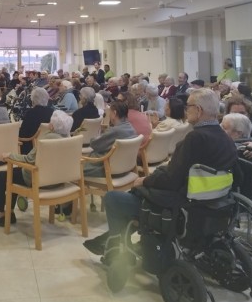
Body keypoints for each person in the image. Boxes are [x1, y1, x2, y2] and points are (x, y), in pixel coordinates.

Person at [83, 89, 238, 257]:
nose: (186, 110)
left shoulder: (195, 139)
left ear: (199, 110)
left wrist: (145, 180)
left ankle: (114, 247)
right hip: (210, 203)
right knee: (137, 191)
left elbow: (171, 180)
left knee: (113, 198)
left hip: (178, 205)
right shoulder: (226, 140)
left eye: (188, 106)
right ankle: (111, 239)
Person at [0, 110, 74, 226]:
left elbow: (29, 159)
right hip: (58, 180)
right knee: (12, 175)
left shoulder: (48, 139)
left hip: (38, 180)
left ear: (52, 126)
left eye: (50, 122)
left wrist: (9, 155)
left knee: (1, 176)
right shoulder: (69, 139)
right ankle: (9, 212)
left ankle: (1, 215)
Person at [83, 101, 137, 177]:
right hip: (125, 169)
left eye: (110, 112)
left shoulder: (115, 131)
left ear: (114, 113)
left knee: (77, 167)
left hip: (107, 169)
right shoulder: (131, 128)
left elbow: (94, 144)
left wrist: (97, 137)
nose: (109, 115)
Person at [18, 87, 54, 154]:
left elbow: (22, 135)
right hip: (48, 146)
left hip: (30, 148)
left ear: (33, 100)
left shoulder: (30, 113)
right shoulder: (52, 112)